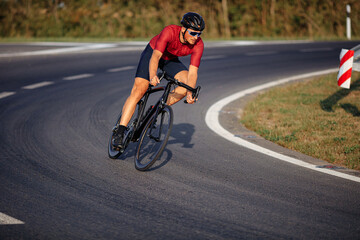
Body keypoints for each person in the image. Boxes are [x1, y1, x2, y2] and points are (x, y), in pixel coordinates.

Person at [112, 12, 205, 149]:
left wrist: (190, 92)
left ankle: (155, 109)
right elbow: (155, 57)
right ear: (183, 29)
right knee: (140, 90)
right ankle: (120, 132)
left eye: (199, 34)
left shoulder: (198, 44)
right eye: (193, 33)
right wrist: (153, 75)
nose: (196, 37)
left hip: (171, 60)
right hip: (153, 53)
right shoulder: (170, 31)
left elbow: (193, 72)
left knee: (186, 86)